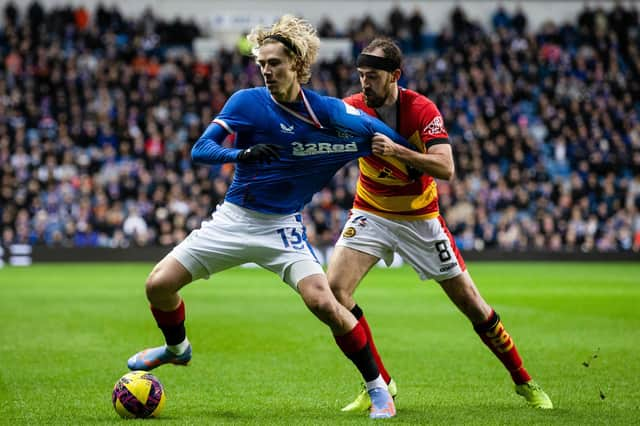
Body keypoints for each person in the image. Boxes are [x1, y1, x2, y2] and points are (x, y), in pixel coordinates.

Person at [126, 16, 408, 419]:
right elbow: (200, 149)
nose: (267, 71)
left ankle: (378, 389)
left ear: (296, 63)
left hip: (281, 227)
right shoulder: (246, 102)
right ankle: (177, 349)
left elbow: (383, 134)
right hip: (234, 219)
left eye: (275, 63)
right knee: (157, 286)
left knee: (324, 303)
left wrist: (410, 156)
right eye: (262, 64)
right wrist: (239, 154)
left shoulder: (329, 112)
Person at [327, 37, 553, 412]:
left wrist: (397, 150)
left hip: (420, 218)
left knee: (472, 304)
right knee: (334, 290)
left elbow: (446, 167)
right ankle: (380, 384)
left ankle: (524, 379)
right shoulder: (353, 107)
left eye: (373, 77)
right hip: (371, 210)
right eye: (361, 75)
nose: (365, 84)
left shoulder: (421, 109)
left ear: (395, 75)